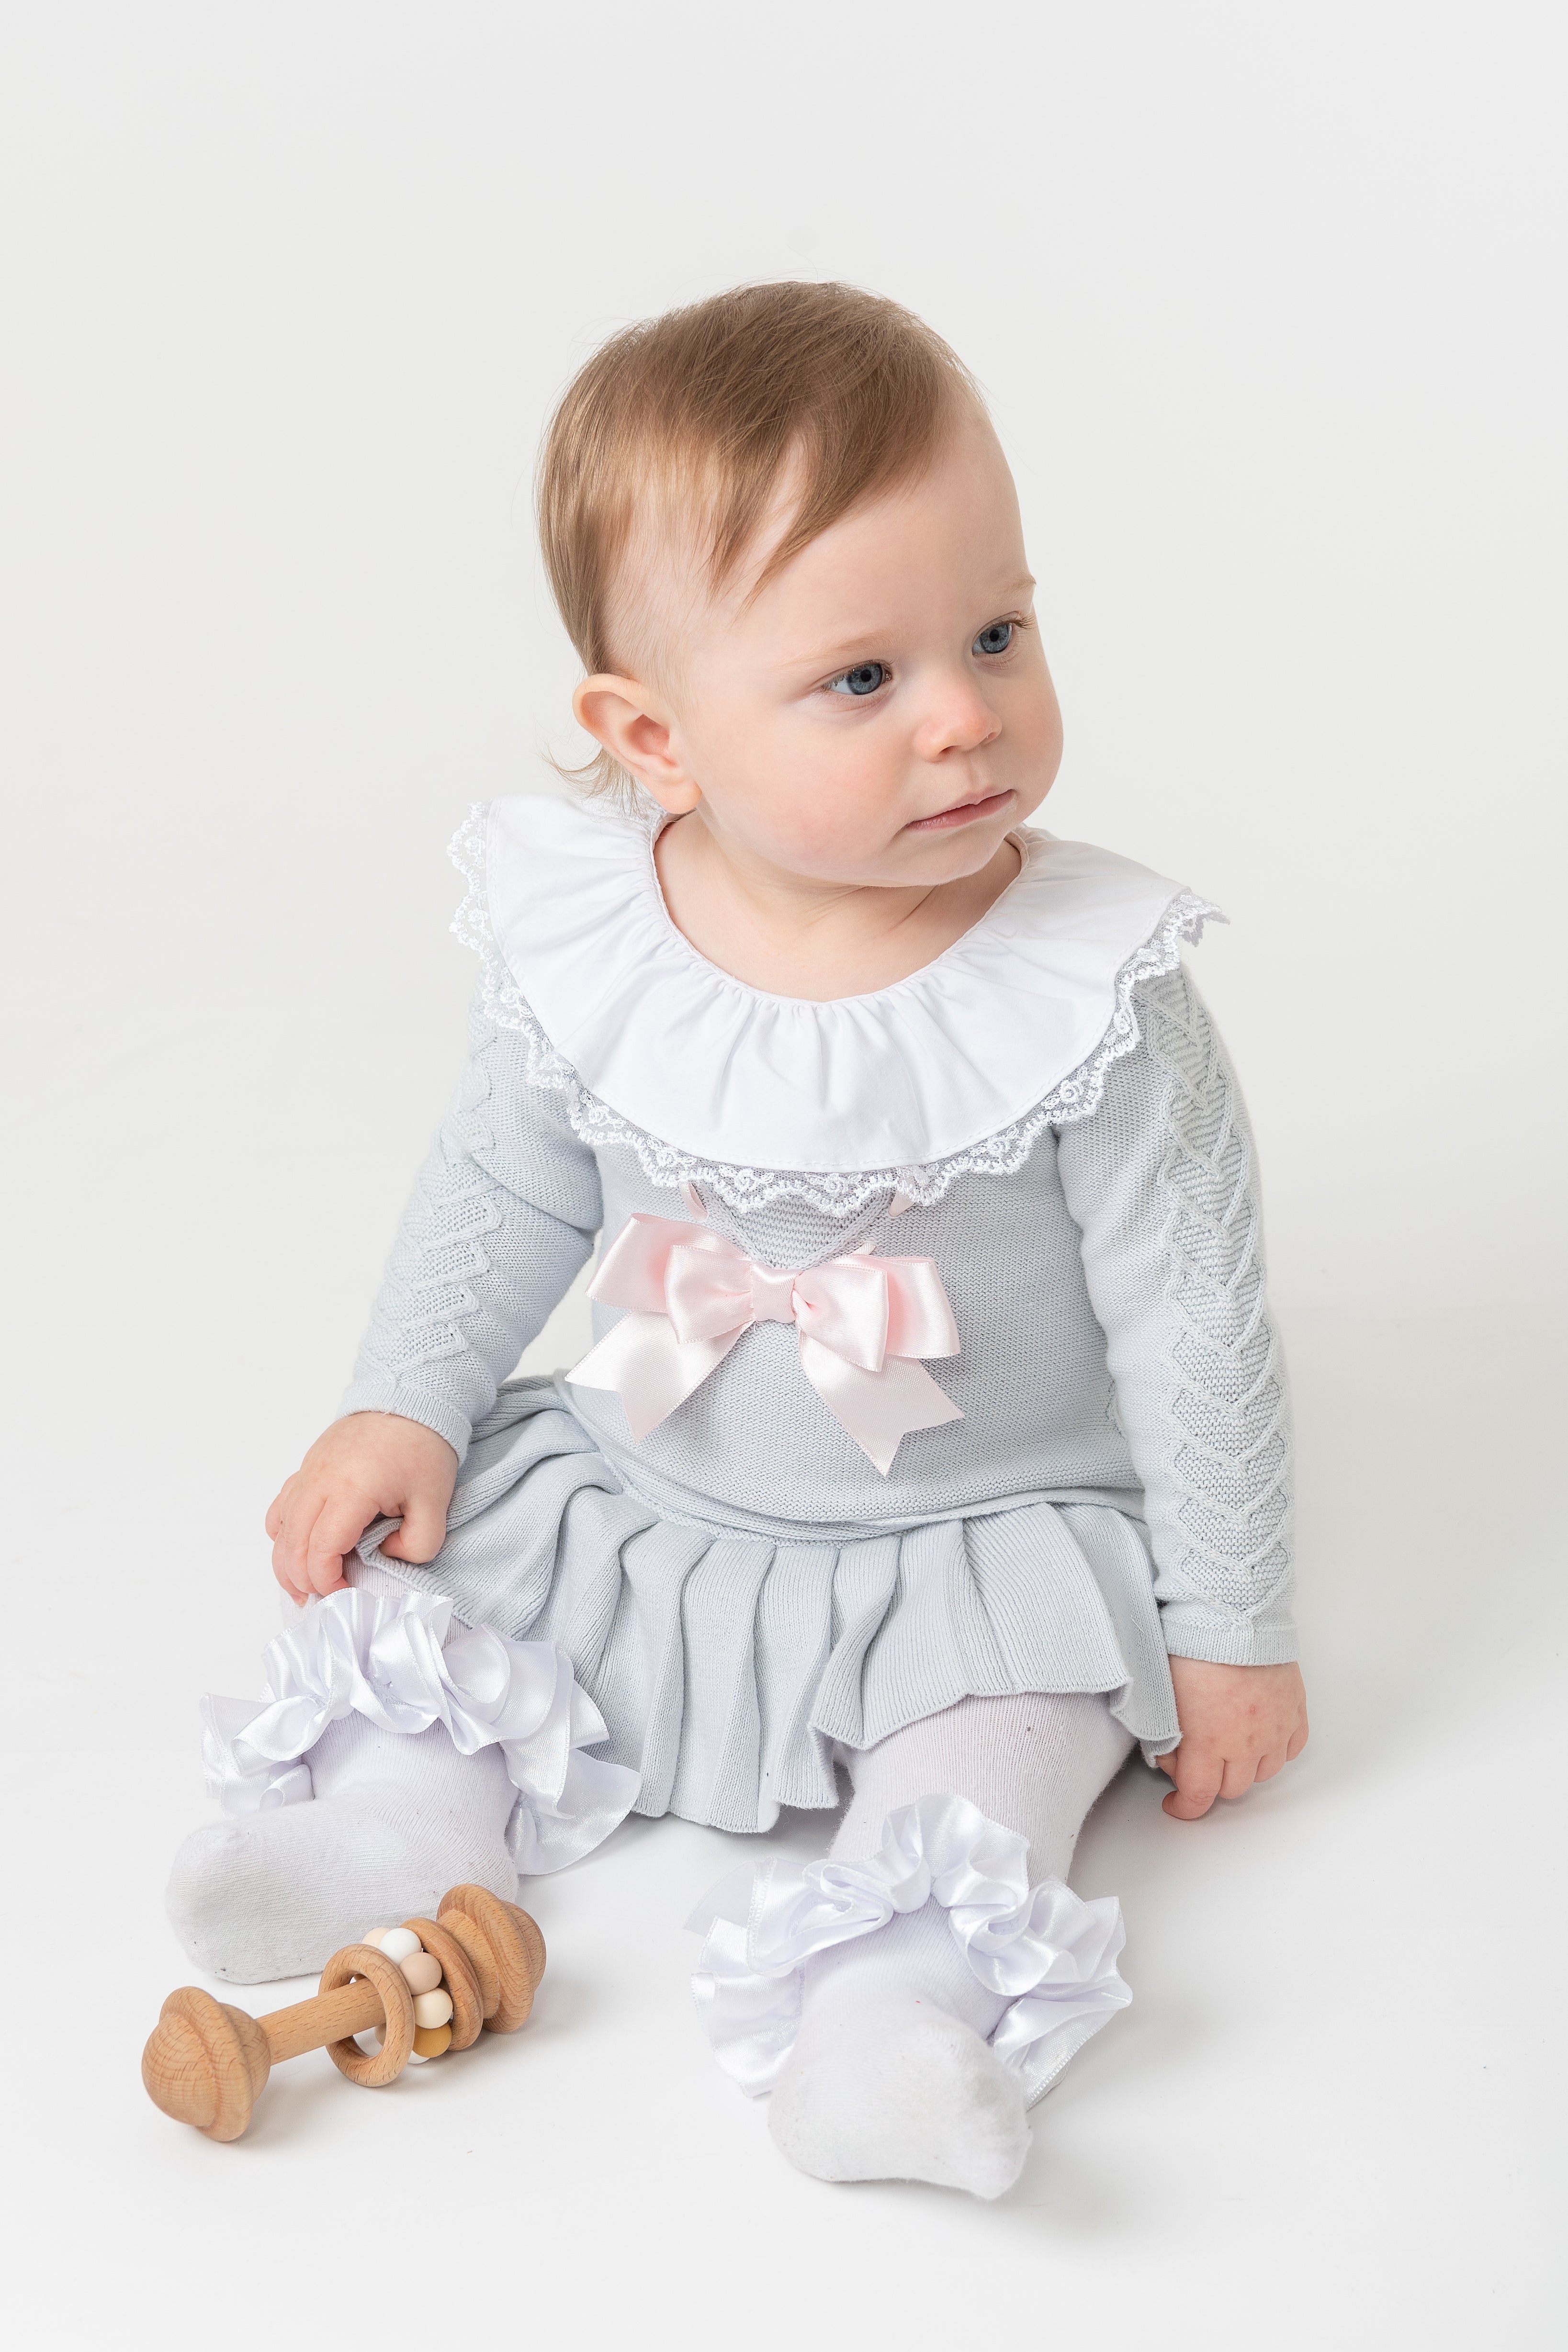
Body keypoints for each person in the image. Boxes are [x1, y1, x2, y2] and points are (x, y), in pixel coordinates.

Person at [168, 280, 1308, 2198]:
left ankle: (891, 2017)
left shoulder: (1090, 996)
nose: (967, 713)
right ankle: (391, 1828)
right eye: (864, 678)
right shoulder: (595, 941)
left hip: (971, 1535)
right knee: (444, 1612)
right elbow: (503, 1180)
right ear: (655, 738)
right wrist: (407, 1406)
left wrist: (1232, 1627)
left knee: (1006, 1756)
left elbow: (1195, 1313)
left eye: (1000, 632)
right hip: (648, 1480)